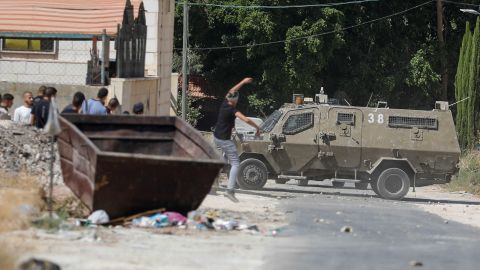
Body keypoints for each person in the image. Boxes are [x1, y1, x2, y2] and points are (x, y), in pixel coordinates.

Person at [213, 77, 261, 202]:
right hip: (224, 140)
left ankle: (212, 182)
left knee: (221, 161)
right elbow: (246, 119)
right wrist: (257, 128)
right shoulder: (233, 110)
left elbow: (232, 90)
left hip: (216, 137)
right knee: (235, 163)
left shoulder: (224, 104)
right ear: (235, 100)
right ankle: (230, 190)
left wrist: (243, 82)